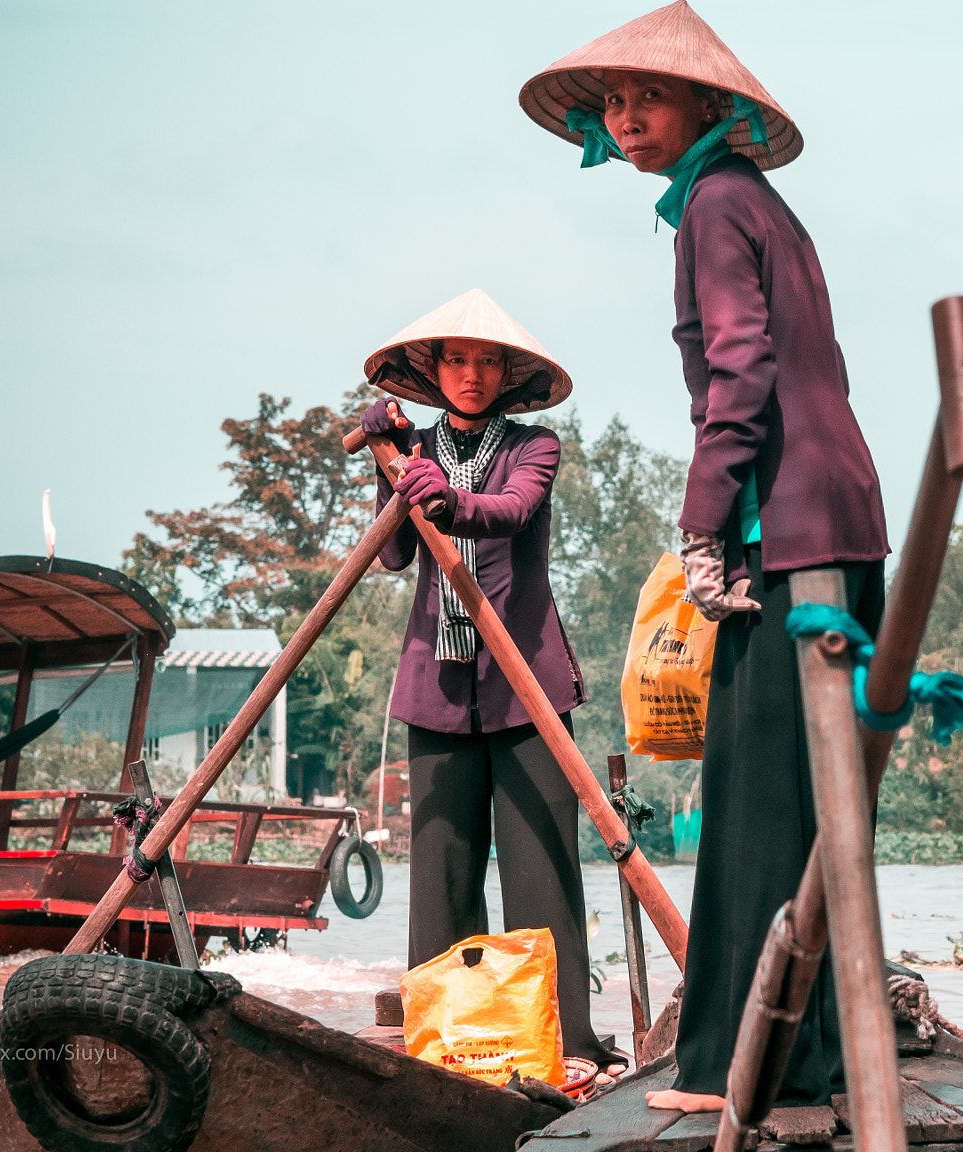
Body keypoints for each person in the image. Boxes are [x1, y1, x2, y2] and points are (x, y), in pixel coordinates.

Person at [521, 1, 888, 1112]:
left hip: (793, 531)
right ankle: (789, 1060)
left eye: (646, 97)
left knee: (760, 813)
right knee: (793, 806)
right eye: (615, 103)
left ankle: (748, 1068)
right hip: (824, 519)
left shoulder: (718, 205)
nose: (626, 118)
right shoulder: (740, 201)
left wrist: (702, 521)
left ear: (706, 106)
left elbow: (740, 373)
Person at [357, 288, 616, 1072]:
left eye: (488, 361)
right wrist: (390, 468)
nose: (473, 374)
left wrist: (445, 495)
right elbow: (395, 555)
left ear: (508, 374)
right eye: (458, 360)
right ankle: (442, 1045)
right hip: (438, 685)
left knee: (541, 868)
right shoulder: (414, 449)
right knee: (440, 874)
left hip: (525, 683)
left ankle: (567, 1044)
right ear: (433, 370)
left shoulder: (534, 446)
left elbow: (507, 511)